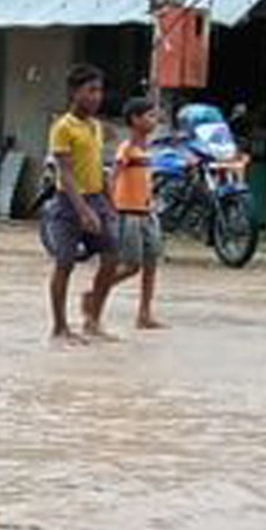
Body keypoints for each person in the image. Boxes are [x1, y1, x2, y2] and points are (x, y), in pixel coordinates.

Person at [43, 63, 122, 343]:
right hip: (69, 202)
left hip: (96, 198)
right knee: (64, 264)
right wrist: (83, 209)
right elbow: (64, 172)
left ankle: (93, 319)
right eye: (90, 90)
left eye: (99, 90)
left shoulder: (96, 126)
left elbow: (98, 167)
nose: (96, 96)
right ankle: (60, 327)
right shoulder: (62, 127)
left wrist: (109, 204)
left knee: (112, 257)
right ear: (74, 92)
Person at [109, 97, 167, 330]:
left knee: (151, 263)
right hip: (129, 213)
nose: (154, 120)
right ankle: (98, 291)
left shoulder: (146, 150)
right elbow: (113, 176)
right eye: (150, 116)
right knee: (132, 265)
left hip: (146, 211)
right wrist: (109, 207)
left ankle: (144, 314)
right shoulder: (127, 149)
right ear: (135, 120)